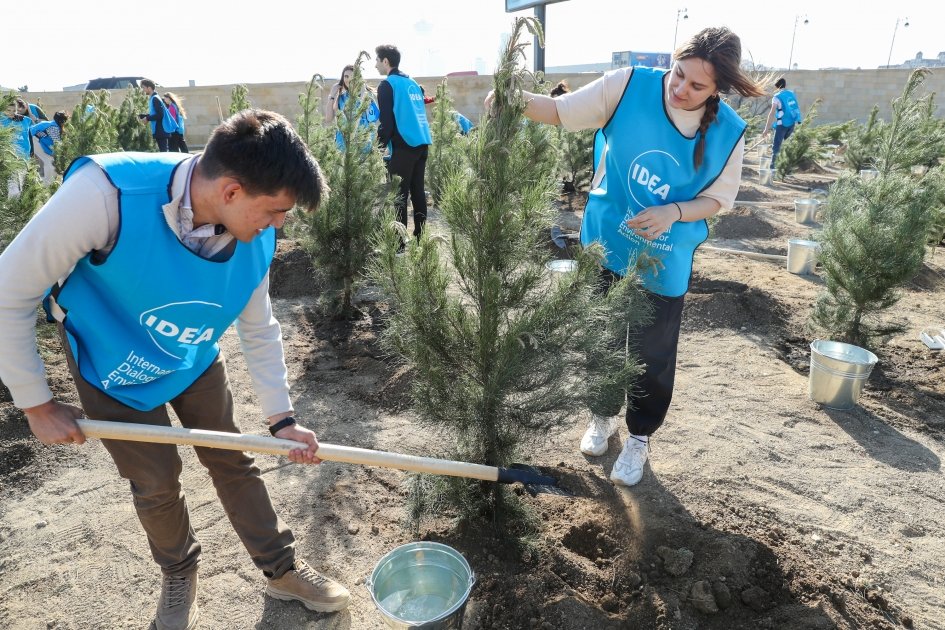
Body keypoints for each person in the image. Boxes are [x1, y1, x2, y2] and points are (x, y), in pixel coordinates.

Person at [0, 109, 351, 629]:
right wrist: (36, 403)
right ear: (231, 191)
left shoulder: (254, 236)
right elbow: (8, 292)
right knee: (155, 483)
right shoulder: (104, 195)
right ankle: (179, 573)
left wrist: (282, 419)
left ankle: (282, 570)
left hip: (191, 355)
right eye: (276, 210)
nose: (280, 224)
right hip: (112, 364)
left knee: (232, 458)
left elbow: (259, 327)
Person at [491, 27, 765, 487]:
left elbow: (719, 199)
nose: (680, 88)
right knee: (598, 338)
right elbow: (559, 111)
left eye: (697, 85)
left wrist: (674, 211)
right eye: (678, 74)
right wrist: (510, 97)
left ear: (717, 89)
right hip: (606, 243)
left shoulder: (728, 133)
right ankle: (602, 416)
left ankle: (639, 436)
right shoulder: (628, 85)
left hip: (663, 259)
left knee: (651, 353)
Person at [375, 44, 432, 242]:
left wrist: (378, 148)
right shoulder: (412, 83)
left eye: (377, 60)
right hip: (422, 143)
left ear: (385, 61)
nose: (375, 65)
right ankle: (421, 239)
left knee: (398, 195)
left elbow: (387, 123)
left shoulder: (387, 85)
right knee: (417, 192)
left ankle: (398, 245)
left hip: (404, 145)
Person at [325, 64, 380, 150]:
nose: (349, 79)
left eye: (352, 77)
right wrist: (332, 95)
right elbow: (328, 118)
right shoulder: (341, 97)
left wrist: (363, 93)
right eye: (346, 76)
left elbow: (373, 118)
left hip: (363, 145)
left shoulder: (367, 96)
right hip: (343, 145)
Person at [761, 77, 802, 169]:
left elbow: (772, 114)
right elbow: (795, 107)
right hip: (792, 124)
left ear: (776, 86)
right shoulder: (791, 94)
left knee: (776, 147)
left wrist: (766, 129)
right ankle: (787, 169)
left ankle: (773, 169)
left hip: (782, 124)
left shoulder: (776, 97)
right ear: (785, 85)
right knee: (787, 147)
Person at [138, 78, 178, 152]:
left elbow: (160, 115)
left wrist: (147, 118)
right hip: (159, 130)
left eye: (143, 87)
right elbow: (154, 113)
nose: (142, 90)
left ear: (149, 88)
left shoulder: (155, 98)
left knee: (164, 152)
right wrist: (142, 116)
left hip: (160, 130)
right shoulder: (153, 98)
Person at [29, 111, 68, 184]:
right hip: (33, 139)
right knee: (50, 164)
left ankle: (50, 183)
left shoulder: (52, 124)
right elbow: (57, 145)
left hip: (38, 140)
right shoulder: (54, 127)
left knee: (51, 164)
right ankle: (47, 185)